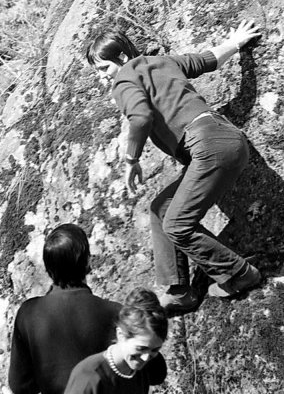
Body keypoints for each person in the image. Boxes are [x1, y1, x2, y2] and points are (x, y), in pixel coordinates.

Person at [86, 20, 262, 316]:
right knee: (161, 209)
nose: (103, 78)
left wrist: (132, 160)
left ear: (123, 59)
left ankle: (240, 274)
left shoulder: (125, 78)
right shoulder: (162, 62)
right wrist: (236, 42)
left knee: (177, 225)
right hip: (226, 138)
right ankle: (179, 291)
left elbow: (140, 119)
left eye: (104, 69)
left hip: (205, 146)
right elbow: (207, 60)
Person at [9, 223, 121, 394]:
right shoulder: (114, 312)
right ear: (87, 262)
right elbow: (156, 373)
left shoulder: (28, 313)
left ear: (47, 267)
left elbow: (19, 385)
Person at [64, 287, 168, 394]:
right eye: (141, 348)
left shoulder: (140, 370)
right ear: (121, 335)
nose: (146, 357)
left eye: (155, 350)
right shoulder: (89, 376)